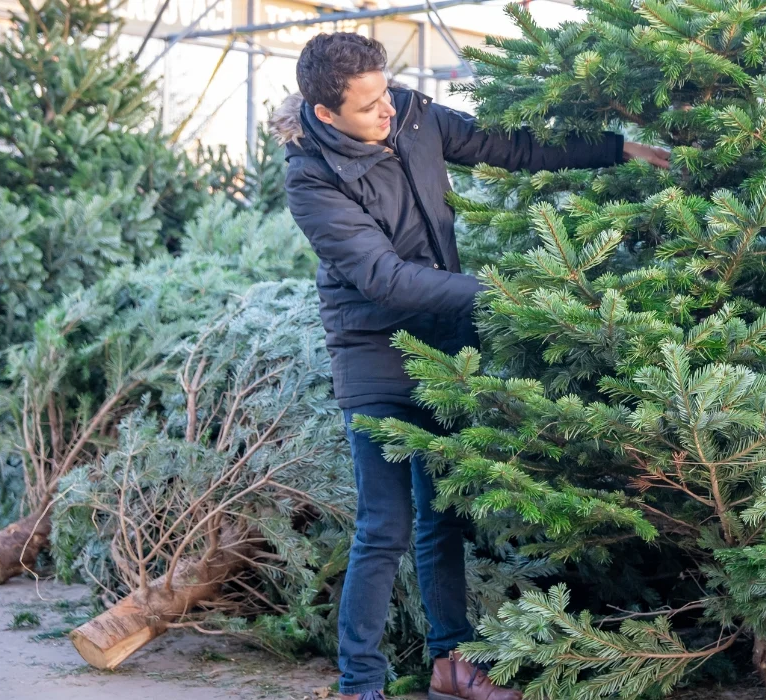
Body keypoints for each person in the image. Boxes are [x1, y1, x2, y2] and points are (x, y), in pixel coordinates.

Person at [272, 32, 669, 700]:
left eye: (387, 93)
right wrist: (504, 296)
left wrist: (616, 147)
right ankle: (358, 682)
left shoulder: (413, 113)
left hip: (447, 347)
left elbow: (508, 144)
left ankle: (450, 663)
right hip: (376, 355)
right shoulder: (311, 177)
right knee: (385, 526)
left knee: (445, 513)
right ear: (326, 113)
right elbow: (384, 278)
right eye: (369, 106)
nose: (387, 111)